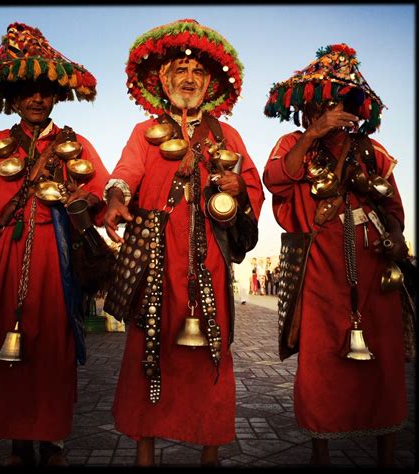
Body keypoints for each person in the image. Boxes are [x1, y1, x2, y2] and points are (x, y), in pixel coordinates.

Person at [102, 19, 263, 466]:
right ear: (163, 82)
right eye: (178, 72)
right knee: (145, 350)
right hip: (155, 256)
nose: (188, 78)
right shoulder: (144, 133)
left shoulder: (226, 136)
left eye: (197, 74)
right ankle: (144, 453)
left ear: (210, 83)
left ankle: (209, 452)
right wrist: (115, 198)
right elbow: (125, 173)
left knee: (213, 350)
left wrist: (237, 185)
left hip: (208, 258)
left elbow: (251, 187)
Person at [0, 22, 110, 467]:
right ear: (12, 98)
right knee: (6, 352)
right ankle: (18, 442)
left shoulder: (74, 145)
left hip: (56, 260)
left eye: (45, 90)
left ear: (57, 95)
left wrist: (84, 198)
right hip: (5, 261)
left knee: (51, 351)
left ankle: (52, 440)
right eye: (28, 91)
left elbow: (97, 193)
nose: (37, 98)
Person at [263, 43, 410, 467]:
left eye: (339, 104)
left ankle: (386, 453)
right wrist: (314, 133)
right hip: (321, 264)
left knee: (383, 358)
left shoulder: (371, 151)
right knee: (320, 359)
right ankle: (320, 454)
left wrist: (396, 238)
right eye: (322, 105)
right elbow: (276, 180)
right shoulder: (294, 143)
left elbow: (394, 209)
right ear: (306, 108)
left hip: (375, 268)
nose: (332, 111)